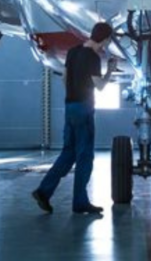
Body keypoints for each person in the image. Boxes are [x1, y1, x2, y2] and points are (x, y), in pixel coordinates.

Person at [32, 22, 117, 215]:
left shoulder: (73, 51)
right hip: (84, 109)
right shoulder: (93, 58)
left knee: (68, 153)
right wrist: (111, 70)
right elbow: (100, 86)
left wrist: (74, 93)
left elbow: (64, 78)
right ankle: (80, 202)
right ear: (105, 39)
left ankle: (44, 191)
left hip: (69, 106)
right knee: (84, 157)